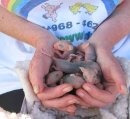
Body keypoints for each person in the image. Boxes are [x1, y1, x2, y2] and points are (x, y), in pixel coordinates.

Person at [0, 0, 130, 114]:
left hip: (114, 58)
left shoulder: (84, 66)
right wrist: (39, 39)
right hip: (18, 65)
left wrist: (104, 41)